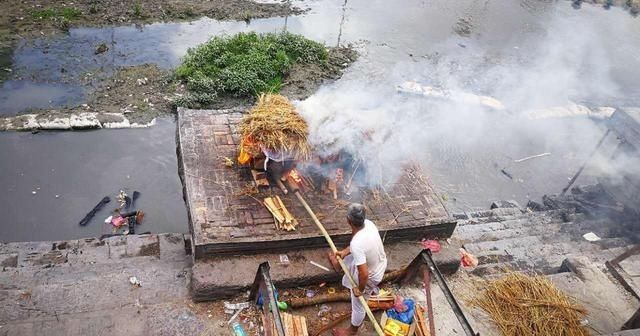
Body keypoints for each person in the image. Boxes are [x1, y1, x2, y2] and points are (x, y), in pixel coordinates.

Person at [329, 203, 387, 336]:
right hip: (379, 262)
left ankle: (351, 331)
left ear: (348, 220)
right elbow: (358, 248)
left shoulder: (357, 244)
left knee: (359, 305)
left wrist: (359, 289)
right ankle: (339, 263)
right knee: (353, 258)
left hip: (371, 275)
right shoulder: (369, 224)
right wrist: (344, 252)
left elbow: (364, 273)